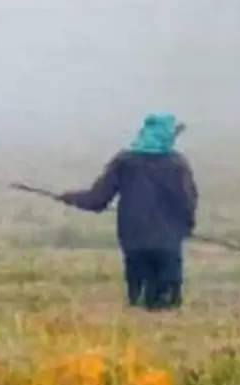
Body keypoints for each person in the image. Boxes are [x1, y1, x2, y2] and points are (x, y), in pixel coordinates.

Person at [58, 113, 197, 310]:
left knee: (138, 301)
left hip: (134, 241)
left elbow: (97, 200)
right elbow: (187, 202)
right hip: (168, 243)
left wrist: (71, 198)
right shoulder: (177, 165)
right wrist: (186, 227)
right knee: (166, 304)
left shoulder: (124, 162)